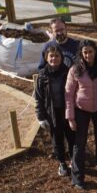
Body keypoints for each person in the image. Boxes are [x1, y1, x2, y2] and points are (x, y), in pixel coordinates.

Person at [65, 40, 97, 188]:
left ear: (95, 52)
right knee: (80, 142)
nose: (88, 55)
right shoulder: (75, 70)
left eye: (90, 51)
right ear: (81, 54)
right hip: (81, 109)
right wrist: (70, 117)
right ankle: (77, 178)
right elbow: (69, 95)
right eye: (85, 52)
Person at [34, 43, 75, 183]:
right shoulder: (42, 76)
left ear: (61, 57)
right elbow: (38, 97)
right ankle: (62, 162)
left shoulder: (68, 72)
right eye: (51, 56)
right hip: (52, 112)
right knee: (57, 139)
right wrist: (40, 116)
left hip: (67, 110)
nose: (54, 58)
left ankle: (73, 159)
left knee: (71, 136)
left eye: (57, 56)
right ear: (46, 57)